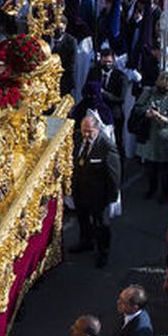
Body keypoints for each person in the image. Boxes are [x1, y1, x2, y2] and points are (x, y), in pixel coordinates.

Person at [70, 111, 121, 267]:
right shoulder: (77, 137)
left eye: (89, 131)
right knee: (83, 219)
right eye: (83, 131)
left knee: (100, 225)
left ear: (97, 129)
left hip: (98, 195)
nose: (86, 135)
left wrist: (111, 197)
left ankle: (103, 252)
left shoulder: (106, 146)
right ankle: (86, 242)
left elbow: (114, 175)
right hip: (80, 190)